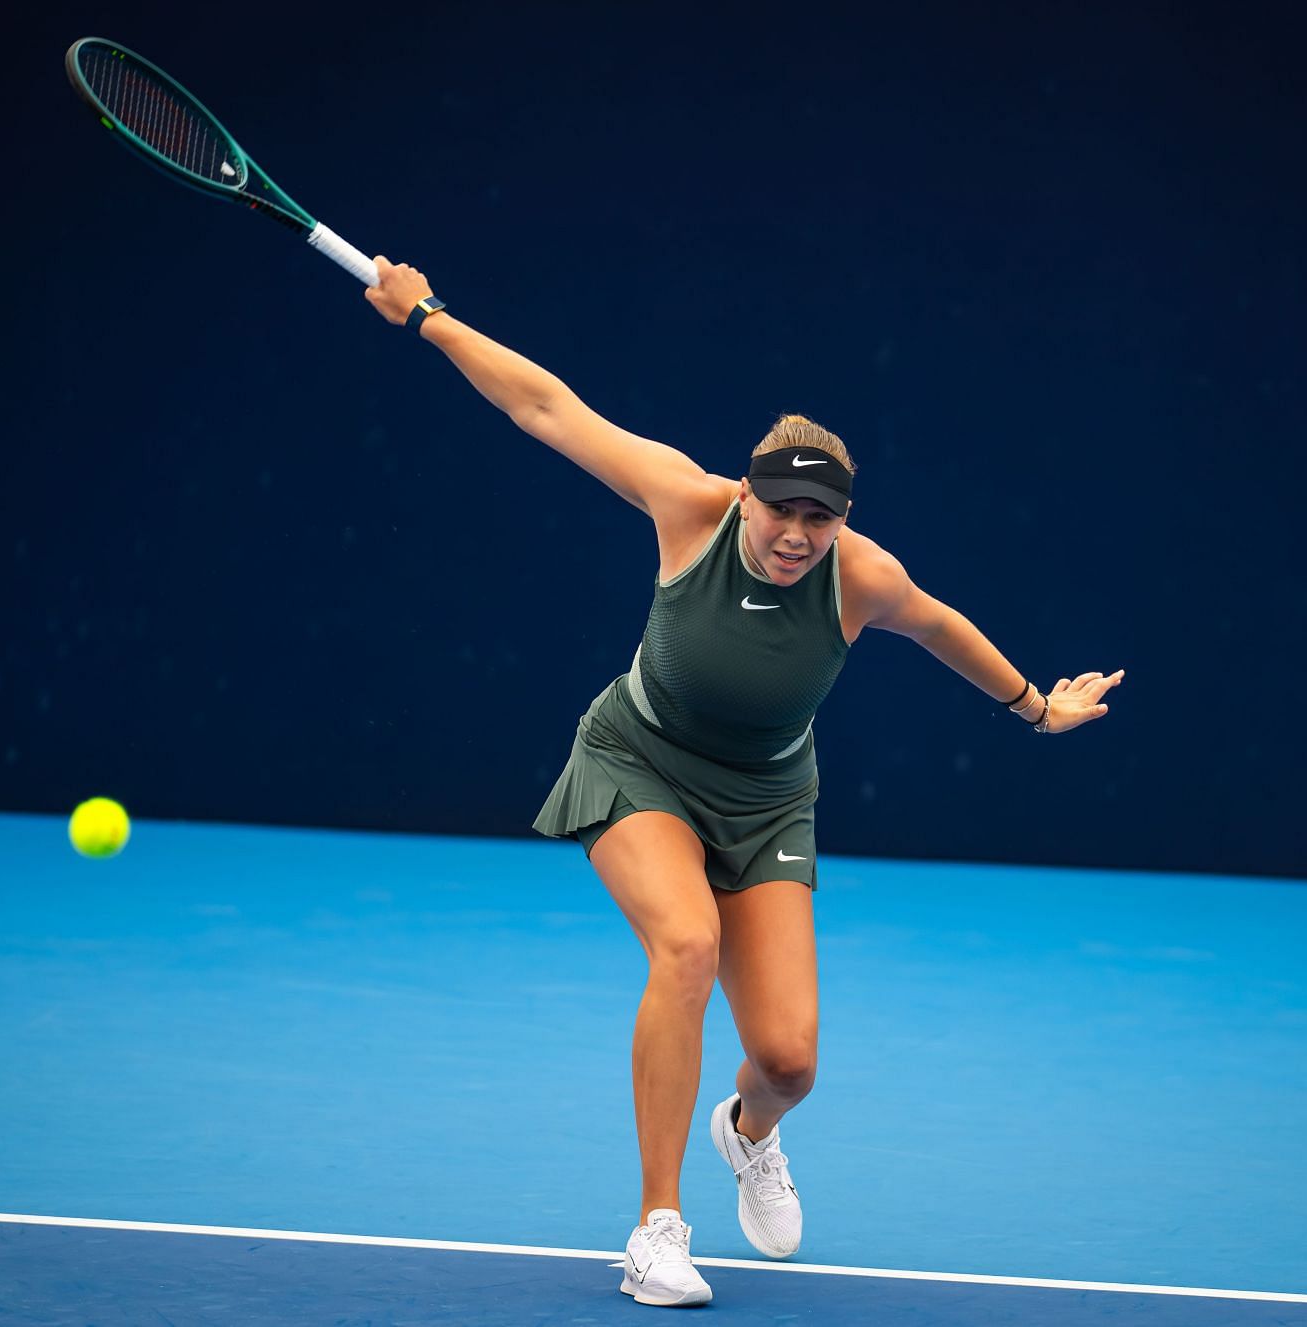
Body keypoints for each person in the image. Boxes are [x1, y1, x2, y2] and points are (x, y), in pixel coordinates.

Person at [364, 257, 1124, 1308]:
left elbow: (945, 629)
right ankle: (657, 1230)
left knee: (789, 1058)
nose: (795, 535)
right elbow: (546, 405)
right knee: (686, 944)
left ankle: (749, 1131)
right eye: (781, 511)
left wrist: (1038, 706)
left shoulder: (865, 578)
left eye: (819, 519)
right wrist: (431, 319)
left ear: (841, 521)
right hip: (639, 763)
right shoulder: (688, 504)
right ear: (749, 493)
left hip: (768, 803)